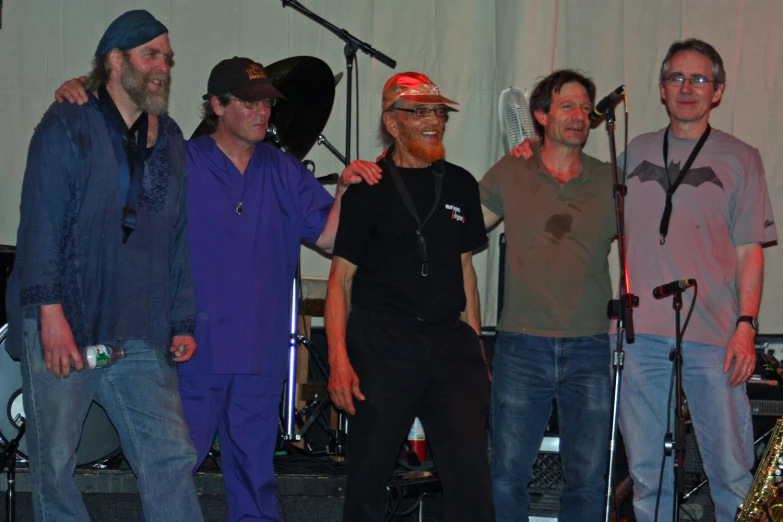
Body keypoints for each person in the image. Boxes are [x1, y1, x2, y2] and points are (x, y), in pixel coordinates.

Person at [55, 56, 378, 521]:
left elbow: (330, 237)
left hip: (259, 356)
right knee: (171, 475)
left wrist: (345, 190)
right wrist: (82, 99)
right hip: (191, 353)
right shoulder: (179, 160)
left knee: (255, 480)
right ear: (217, 105)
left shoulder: (286, 170)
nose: (262, 111)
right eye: (249, 102)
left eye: (267, 102)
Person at [5, 10, 204, 521]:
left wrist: (181, 319)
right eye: (151, 55)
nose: (163, 67)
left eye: (168, 57)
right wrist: (50, 316)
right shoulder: (68, 123)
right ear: (116, 61)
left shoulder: (173, 141)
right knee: (54, 465)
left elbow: (176, 237)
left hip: (140, 328)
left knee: (170, 457)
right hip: (68, 318)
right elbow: (41, 225)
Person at [617, 39, 777, 521]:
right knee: (648, 473)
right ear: (663, 90)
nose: (687, 88)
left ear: (719, 91)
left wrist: (746, 326)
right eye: (676, 78)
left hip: (716, 335)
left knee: (730, 470)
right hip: (639, 333)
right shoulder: (634, 151)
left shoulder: (741, 157)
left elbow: (751, 250)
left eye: (699, 79)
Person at [325, 71, 495, 522]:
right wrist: (339, 362)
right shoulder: (368, 186)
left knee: (471, 481)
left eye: (438, 111)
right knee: (368, 477)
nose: (433, 120)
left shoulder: (460, 183)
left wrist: (475, 349)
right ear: (392, 121)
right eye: (419, 111)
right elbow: (340, 281)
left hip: (449, 344)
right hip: (383, 343)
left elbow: (466, 273)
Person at [481, 70, 615, 521]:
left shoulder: (608, 180)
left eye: (585, 108)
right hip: (521, 345)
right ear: (540, 115)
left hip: (592, 345)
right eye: (566, 106)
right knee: (507, 474)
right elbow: (458, 233)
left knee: (588, 478)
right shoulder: (511, 171)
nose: (579, 116)